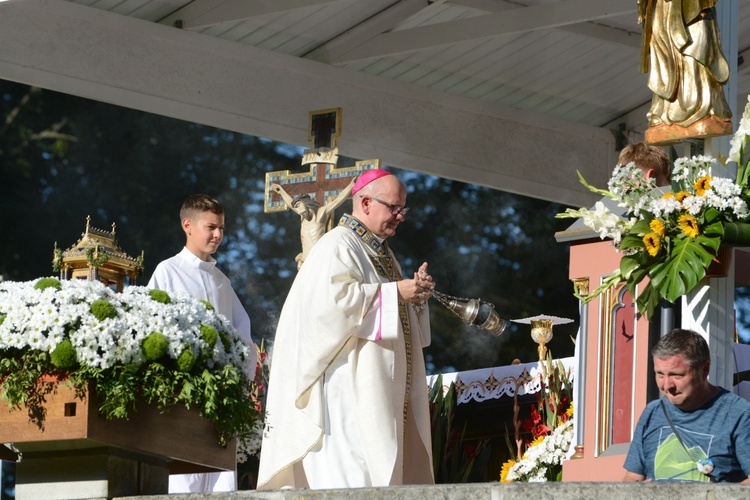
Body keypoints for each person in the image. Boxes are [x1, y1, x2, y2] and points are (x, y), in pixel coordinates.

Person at [257, 169, 435, 489]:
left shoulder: (382, 252)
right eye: (394, 208)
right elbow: (333, 307)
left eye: (402, 209)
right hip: (345, 390)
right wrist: (396, 293)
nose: (400, 216)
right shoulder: (337, 244)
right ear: (365, 202)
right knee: (352, 479)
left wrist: (416, 297)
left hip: (376, 388)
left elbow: (396, 322)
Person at [148, 194, 257, 494]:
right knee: (183, 481)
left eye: (221, 227)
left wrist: (240, 384)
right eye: (211, 227)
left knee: (219, 478)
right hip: (183, 397)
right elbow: (153, 330)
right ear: (188, 225)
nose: (218, 235)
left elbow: (243, 336)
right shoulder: (167, 271)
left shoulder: (222, 281)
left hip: (221, 397)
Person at [623, 329, 750, 483]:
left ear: (704, 369)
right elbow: (633, 476)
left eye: (677, 375)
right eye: (660, 374)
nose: (667, 385)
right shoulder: (652, 412)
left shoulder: (738, 414)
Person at [638, 0, 731, 128]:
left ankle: (701, 105)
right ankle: (666, 110)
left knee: (697, 47)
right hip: (663, 8)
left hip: (695, 7)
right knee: (667, 55)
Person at [271, 177, 355, 269]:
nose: (298, 211)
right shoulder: (303, 217)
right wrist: (281, 191)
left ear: (305, 203)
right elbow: (291, 203)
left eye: (298, 206)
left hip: (319, 260)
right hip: (305, 263)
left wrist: (351, 185)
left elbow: (338, 200)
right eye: (296, 208)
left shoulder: (321, 213)